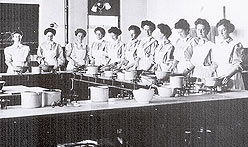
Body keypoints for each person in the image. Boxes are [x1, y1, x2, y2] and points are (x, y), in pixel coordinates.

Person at [212, 19, 244, 90]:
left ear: (229, 30)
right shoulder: (218, 46)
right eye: (219, 31)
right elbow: (216, 62)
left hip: (232, 75)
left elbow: (238, 64)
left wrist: (228, 76)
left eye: (223, 30)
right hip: (220, 75)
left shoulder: (236, 45)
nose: (221, 33)